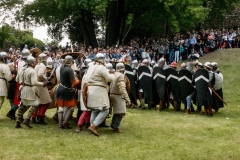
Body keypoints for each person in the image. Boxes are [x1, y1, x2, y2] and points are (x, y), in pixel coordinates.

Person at [15, 56, 50, 128]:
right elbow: (34, 82)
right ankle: (27, 119)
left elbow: (16, 79)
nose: (35, 63)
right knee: (36, 104)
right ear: (32, 62)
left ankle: (18, 122)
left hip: (22, 88)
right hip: (29, 89)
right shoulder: (32, 71)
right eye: (34, 62)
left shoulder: (21, 69)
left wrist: (23, 82)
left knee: (22, 105)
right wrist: (44, 83)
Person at [86, 53, 114, 136]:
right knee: (105, 110)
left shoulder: (91, 67)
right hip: (99, 90)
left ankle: (92, 127)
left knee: (95, 110)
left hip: (90, 90)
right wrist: (112, 74)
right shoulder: (102, 68)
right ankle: (94, 126)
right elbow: (109, 79)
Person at [56, 55, 80, 129]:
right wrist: (79, 80)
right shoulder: (69, 70)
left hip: (60, 88)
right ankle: (65, 122)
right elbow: (73, 82)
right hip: (66, 90)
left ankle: (60, 124)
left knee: (60, 107)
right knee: (71, 107)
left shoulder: (61, 67)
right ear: (71, 61)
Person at [31, 53, 52, 125]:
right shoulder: (42, 66)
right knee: (47, 101)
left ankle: (34, 117)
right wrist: (47, 79)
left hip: (36, 85)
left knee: (38, 102)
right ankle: (41, 117)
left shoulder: (37, 65)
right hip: (41, 85)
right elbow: (40, 74)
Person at [110, 63, 131, 133]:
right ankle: (116, 127)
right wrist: (127, 99)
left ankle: (113, 124)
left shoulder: (114, 74)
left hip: (112, 94)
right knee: (121, 112)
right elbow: (122, 88)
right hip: (117, 95)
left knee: (117, 111)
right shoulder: (121, 76)